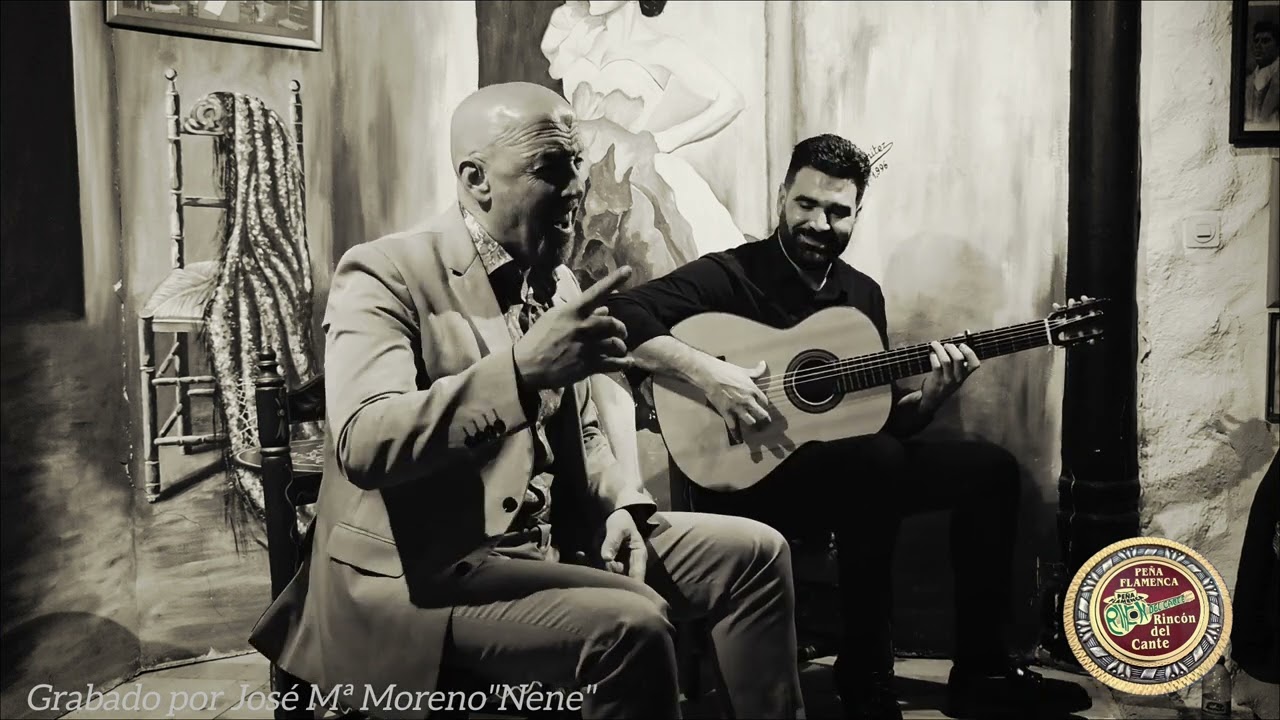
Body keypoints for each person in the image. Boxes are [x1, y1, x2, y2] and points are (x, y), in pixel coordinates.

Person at [247, 82, 806, 720]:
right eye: (550, 168)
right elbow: (364, 445)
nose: (576, 188)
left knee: (758, 554)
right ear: (476, 179)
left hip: (544, 544)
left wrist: (622, 499)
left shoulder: (559, 279)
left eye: (576, 164)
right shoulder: (385, 273)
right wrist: (517, 373)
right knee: (631, 627)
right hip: (422, 573)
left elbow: (586, 433)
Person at [603, 133, 1091, 720]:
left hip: (851, 474)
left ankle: (981, 672)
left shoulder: (861, 295)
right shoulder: (730, 274)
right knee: (874, 463)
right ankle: (866, 676)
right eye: (806, 204)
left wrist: (932, 396)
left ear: (858, 213)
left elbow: (874, 418)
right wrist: (711, 375)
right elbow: (622, 314)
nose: (819, 223)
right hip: (749, 478)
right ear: (783, 196)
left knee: (988, 471)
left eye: (838, 211)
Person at [540, 0, 747, 292]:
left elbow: (732, 100)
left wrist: (661, 141)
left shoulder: (662, 47)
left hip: (630, 175)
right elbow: (553, 60)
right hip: (577, 174)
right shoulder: (578, 40)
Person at [1245, 20, 1279, 130]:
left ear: (1278, 46)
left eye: (1265, 41)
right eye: (1256, 41)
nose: (1258, 46)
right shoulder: (1248, 80)